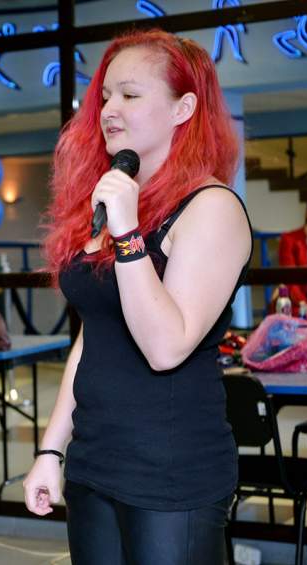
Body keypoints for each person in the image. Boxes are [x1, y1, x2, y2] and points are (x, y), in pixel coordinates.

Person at [22, 29, 251, 564]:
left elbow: (165, 347)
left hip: (171, 471)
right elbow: (94, 337)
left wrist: (127, 236)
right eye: (105, 95)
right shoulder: (121, 202)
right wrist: (52, 448)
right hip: (95, 461)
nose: (109, 109)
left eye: (130, 94)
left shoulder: (211, 208)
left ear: (182, 108)